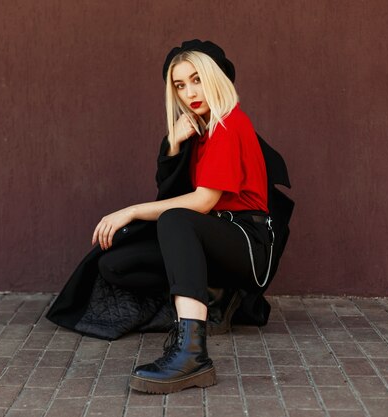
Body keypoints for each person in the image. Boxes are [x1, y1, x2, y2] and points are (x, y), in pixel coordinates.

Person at [86, 40, 273, 394]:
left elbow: (201, 203)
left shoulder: (229, 123)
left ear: (215, 78)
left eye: (197, 79)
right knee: (115, 264)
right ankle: (210, 301)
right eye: (180, 85)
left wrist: (131, 210)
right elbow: (172, 195)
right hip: (212, 239)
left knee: (173, 219)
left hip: (246, 242)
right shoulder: (200, 131)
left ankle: (192, 355)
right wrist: (173, 145)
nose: (190, 92)